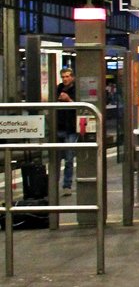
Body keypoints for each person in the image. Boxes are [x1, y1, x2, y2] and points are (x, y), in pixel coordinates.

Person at [55, 67, 77, 195]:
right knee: (56, 158)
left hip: (71, 128)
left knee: (69, 158)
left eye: (67, 76)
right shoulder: (57, 89)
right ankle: (54, 183)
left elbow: (80, 106)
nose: (65, 79)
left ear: (72, 77)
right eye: (63, 77)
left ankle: (67, 184)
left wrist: (69, 100)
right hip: (59, 126)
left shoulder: (76, 90)